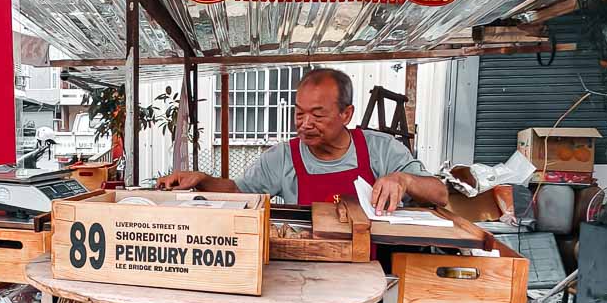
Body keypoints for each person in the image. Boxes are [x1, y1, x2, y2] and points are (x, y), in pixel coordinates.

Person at [156, 67, 449, 214]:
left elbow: (440, 194)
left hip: (374, 269)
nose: (305, 124)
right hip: (307, 269)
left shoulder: (381, 149)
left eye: (318, 115)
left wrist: (404, 181)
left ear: (346, 114)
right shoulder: (283, 157)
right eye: (299, 113)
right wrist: (202, 180)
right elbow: (239, 191)